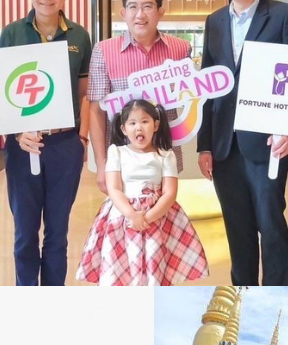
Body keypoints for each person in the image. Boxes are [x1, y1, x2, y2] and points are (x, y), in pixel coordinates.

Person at [197, 0, 288, 286]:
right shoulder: (214, 21)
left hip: (269, 141)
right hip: (224, 145)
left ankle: (276, 296)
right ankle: (242, 296)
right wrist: (204, 145)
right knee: (237, 228)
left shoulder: (284, 15)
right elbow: (206, 86)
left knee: (270, 223)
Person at [0, 0, 92, 285]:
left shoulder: (79, 36)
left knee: (57, 233)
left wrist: (81, 139)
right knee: (25, 233)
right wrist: (15, 132)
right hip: (22, 145)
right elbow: (1, 95)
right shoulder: (12, 33)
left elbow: (85, 94)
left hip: (63, 145)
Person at [76, 98, 208, 285]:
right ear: (123, 129)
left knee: (154, 266)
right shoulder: (116, 152)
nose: (139, 128)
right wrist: (132, 215)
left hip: (157, 220)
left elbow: (169, 193)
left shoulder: (165, 154)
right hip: (122, 219)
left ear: (155, 125)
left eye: (145, 121)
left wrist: (147, 218)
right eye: (132, 123)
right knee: (121, 266)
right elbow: (114, 188)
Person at [86, 0, 191, 195]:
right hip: (120, 162)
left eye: (147, 6)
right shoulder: (103, 51)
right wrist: (102, 162)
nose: (140, 14)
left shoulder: (181, 50)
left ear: (160, 11)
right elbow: (96, 111)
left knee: (162, 219)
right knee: (126, 221)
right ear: (123, 12)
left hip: (164, 159)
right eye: (133, 7)